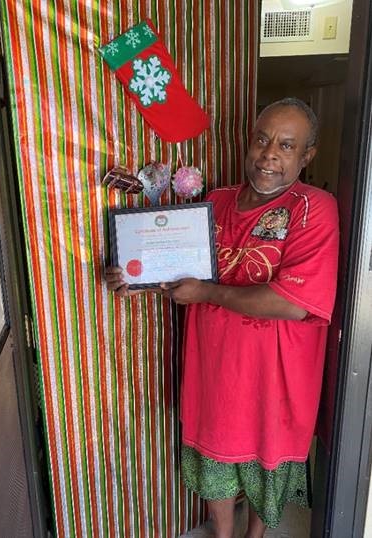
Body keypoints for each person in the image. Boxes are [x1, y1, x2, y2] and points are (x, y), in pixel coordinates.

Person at [105, 98, 339, 538]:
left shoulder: (313, 208)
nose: (270, 153)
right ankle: (223, 534)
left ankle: (255, 536)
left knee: (263, 466)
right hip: (215, 367)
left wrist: (207, 292)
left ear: (306, 156)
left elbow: (295, 302)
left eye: (287, 146)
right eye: (262, 140)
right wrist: (136, 274)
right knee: (215, 458)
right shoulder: (215, 201)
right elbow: (184, 273)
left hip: (276, 377)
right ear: (248, 143)